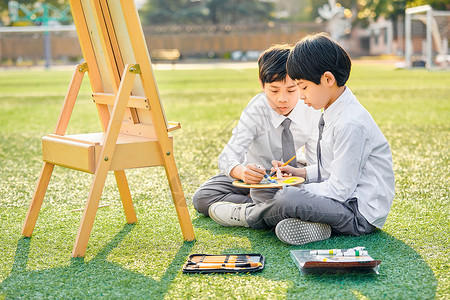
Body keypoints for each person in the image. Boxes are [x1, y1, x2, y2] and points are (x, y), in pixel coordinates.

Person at [208, 33, 395, 246]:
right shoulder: (333, 111)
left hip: (358, 214)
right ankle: (315, 225)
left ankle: (249, 214)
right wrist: (300, 173)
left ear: (327, 79)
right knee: (288, 197)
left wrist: (293, 188)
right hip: (343, 202)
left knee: (288, 199)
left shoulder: (349, 123)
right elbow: (331, 169)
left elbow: (339, 189)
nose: (301, 96)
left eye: (302, 87)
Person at [192, 44, 321, 218]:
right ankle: (271, 208)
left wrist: (304, 177)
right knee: (203, 198)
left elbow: (316, 163)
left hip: (291, 174)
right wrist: (243, 173)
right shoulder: (256, 109)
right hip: (255, 176)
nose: (282, 99)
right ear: (262, 84)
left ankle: (260, 208)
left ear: (300, 84)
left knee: (313, 190)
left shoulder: (310, 108)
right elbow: (227, 156)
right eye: (274, 90)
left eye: (291, 90)